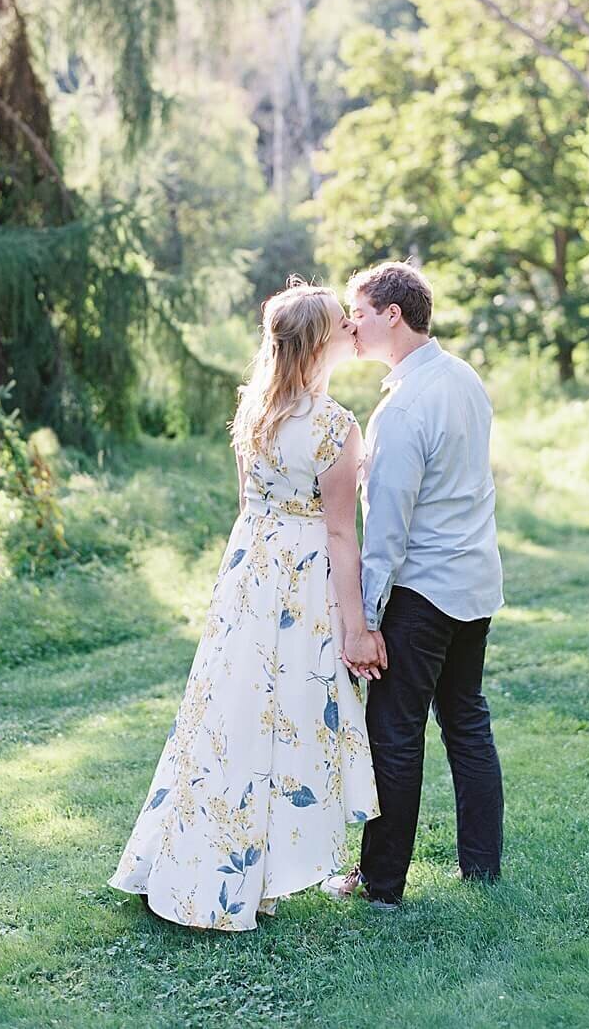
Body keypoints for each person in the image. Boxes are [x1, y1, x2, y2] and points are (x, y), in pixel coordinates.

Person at [108, 280, 383, 931]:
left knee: (227, 712)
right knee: (279, 717)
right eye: (341, 324)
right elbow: (342, 532)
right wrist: (356, 624)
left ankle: (216, 860)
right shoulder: (335, 427)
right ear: (319, 341)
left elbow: (248, 508)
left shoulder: (256, 409)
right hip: (301, 576)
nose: (352, 330)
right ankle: (243, 870)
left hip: (249, 575)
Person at [323, 261, 504, 909]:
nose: (351, 325)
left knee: (395, 735)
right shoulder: (464, 379)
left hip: (423, 590)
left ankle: (381, 885)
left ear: (391, 315)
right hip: (476, 581)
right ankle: (482, 871)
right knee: (466, 722)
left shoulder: (401, 409)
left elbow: (387, 531)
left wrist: (364, 621)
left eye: (359, 313)